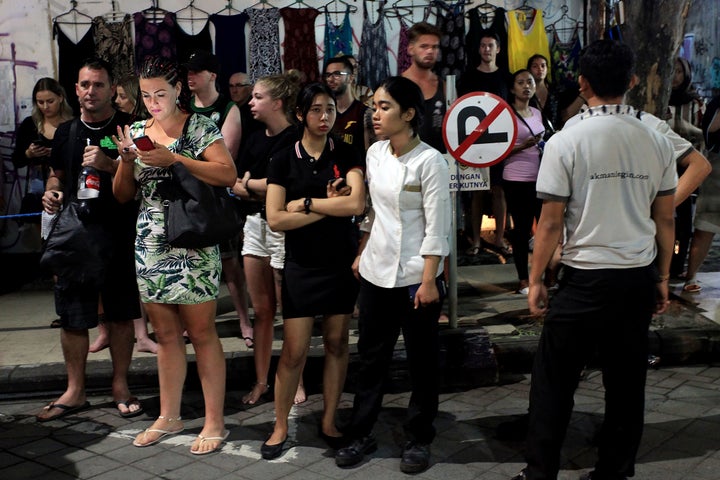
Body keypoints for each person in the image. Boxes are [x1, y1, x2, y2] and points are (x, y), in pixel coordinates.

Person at [512, 40, 677, 480]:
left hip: (584, 279)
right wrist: (662, 278)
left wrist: (536, 281)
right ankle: (614, 471)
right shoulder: (657, 139)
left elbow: (549, 224)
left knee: (553, 383)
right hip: (637, 278)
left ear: (582, 84)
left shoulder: (566, 141)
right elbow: (665, 219)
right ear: (633, 81)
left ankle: (540, 473)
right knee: (626, 386)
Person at [112, 56, 236, 454]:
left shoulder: (199, 126)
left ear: (179, 88)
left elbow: (227, 175)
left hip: (193, 240)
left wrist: (176, 159)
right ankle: (169, 415)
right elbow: (122, 195)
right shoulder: (135, 130)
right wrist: (126, 162)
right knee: (165, 336)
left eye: (160, 93)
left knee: (201, 333)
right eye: (146, 95)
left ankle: (215, 420)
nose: (153, 102)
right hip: (150, 241)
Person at [335, 76, 451, 474]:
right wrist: (362, 250)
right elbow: (372, 212)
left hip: (417, 277)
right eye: (375, 106)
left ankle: (419, 437)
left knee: (421, 362)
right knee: (371, 359)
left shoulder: (432, 162)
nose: (376, 113)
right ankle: (361, 432)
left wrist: (430, 279)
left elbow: (438, 227)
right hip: (375, 272)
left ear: (409, 113)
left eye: (385, 107)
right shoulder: (375, 154)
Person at [261, 82, 366, 459]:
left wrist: (304, 204)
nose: (325, 117)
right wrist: (326, 205)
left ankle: (329, 420)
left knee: (338, 343)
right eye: (317, 110)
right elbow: (275, 219)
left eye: (330, 110)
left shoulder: (348, 150)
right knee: (294, 351)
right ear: (301, 114)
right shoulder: (282, 158)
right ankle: (280, 425)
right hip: (302, 266)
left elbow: (356, 202)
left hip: (339, 262)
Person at [37, 58, 144, 421]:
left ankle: (120, 384)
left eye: (98, 85)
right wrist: (51, 193)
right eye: (84, 85)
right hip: (75, 236)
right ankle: (76, 390)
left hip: (119, 233)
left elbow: (147, 181)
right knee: (72, 315)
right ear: (76, 89)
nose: (90, 92)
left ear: (112, 89)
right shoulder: (66, 132)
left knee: (119, 314)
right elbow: (57, 175)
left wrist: (110, 164)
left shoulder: (131, 129)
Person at [232, 72, 301, 405]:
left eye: (257, 97)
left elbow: (285, 187)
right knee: (262, 311)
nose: (250, 102)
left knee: (290, 310)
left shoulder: (295, 138)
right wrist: (258, 185)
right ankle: (261, 381)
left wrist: (255, 184)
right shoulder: (255, 138)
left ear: (277, 102)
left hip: (282, 229)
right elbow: (236, 183)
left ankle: (294, 379)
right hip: (254, 226)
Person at [185, 50, 253, 349]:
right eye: (188, 71)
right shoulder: (182, 107)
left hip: (216, 198)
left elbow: (226, 159)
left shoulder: (228, 109)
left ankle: (244, 319)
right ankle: (197, 323)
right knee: (190, 263)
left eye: (196, 71)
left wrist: (186, 159)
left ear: (212, 75)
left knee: (229, 265)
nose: (190, 76)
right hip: (186, 196)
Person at [89, 74, 157, 355]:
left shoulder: (140, 127)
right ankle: (110, 331)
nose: (117, 101)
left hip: (137, 210)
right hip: (112, 207)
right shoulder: (113, 125)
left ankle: (141, 334)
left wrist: (111, 163)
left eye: (122, 96)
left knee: (134, 278)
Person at [457, 32, 512, 259]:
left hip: (500, 140)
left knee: (499, 190)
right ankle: (477, 240)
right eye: (483, 45)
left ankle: (499, 239)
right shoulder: (468, 77)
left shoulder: (507, 78)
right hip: (475, 141)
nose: (486, 49)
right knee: (477, 191)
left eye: (490, 45)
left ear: (498, 49)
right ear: (478, 50)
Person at [504, 69, 545, 295]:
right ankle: (523, 278)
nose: (526, 86)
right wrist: (523, 146)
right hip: (516, 179)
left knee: (545, 228)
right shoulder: (505, 115)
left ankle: (546, 275)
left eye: (529, 82)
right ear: (512, 88)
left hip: (541, 179)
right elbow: (496, 149)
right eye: (520, 83)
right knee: (521, 231)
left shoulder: (538, 113)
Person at [667, 57, 706, 279]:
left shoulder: (696, 104)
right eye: (671, 71)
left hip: (687, 168)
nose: (675, 77)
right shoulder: (658, 99)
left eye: (679, 72)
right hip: (661, 167)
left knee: (682, 219)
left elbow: (708, 135)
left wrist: (687, 128)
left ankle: (677, 262)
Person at [683, 93, 720, 293]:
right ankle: (691, 275)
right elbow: (709, 133)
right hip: (717, 171)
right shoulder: (717, 102)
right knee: (706, 226)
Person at [401, 22, 447, 153]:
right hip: (406, 161)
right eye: (424, 46)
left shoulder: (444, 86)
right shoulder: (397, 86)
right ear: (410, 49)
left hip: (440, 160)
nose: (430, 51)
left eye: (434, 47)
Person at [323, 56, 371, 156]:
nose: (331, 79)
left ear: (350, 78)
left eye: (337, 74)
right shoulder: (324, 113)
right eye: (328, 75)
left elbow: (371, 154)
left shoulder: (365, 113)